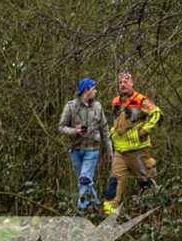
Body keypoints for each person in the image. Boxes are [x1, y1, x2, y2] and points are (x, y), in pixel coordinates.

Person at [103, 71, 161, 214]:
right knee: (114, 183)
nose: (122, 85)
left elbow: (158, 114)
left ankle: (159, 211)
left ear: (132, 83)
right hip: (120, 151)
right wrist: (112, 132)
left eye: (125, 82)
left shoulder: (140, 100)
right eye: (120, 82)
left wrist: (146, 130)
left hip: (138, 151)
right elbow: (119, 123)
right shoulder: (116, 101)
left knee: (146, 183)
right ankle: (106, 217)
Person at [58, 78, 111, 209]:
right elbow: (61, 127)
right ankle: (99, 211)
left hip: (93, 149)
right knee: (84, 184)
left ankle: (80, 212)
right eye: (94, 89)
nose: (96, 91)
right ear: (87, 91)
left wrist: (110, 150)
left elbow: (105, 130)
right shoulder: (71, 106)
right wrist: (74, 131)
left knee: (84, 180)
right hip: (76, 150)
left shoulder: (98, 107)